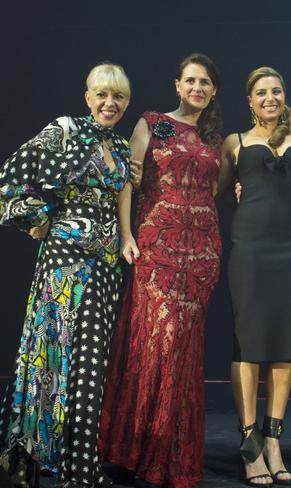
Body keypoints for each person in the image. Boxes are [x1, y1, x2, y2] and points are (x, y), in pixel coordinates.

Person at [0, 62, 132, 487]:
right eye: (102, 94)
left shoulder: (123, 145)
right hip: (64, 260)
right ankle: (28, 458)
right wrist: (37, 218)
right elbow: (13, 175)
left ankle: (80, 465)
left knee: (90, 368)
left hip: (107, 265)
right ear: (87, 96)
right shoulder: (66, 129)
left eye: (118, 97)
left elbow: (124, 198)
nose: (109, 103)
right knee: (49, 354)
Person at [97, 53, 223, 488]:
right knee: (155, 346)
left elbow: (215, 192)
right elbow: (129, 183)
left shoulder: (214, 138)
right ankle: (132, 450)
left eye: (205, 82)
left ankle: (170, 457)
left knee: (183, 353)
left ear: (213, 90)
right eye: (190, 80)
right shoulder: (154, 123)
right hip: (156, 245)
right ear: (177, 84)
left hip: (202, 253)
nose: (197, 88)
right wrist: (126, 235)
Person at [220, 66, 291, 486]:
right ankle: (249, 441)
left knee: (285, 343)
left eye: (276, 91)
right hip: (250, 250)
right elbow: (219, 192)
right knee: (250, 342)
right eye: (261, 93)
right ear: (250, 100)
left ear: (284, 95)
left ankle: (274, 438)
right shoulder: (234, 143)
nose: (270, 98)